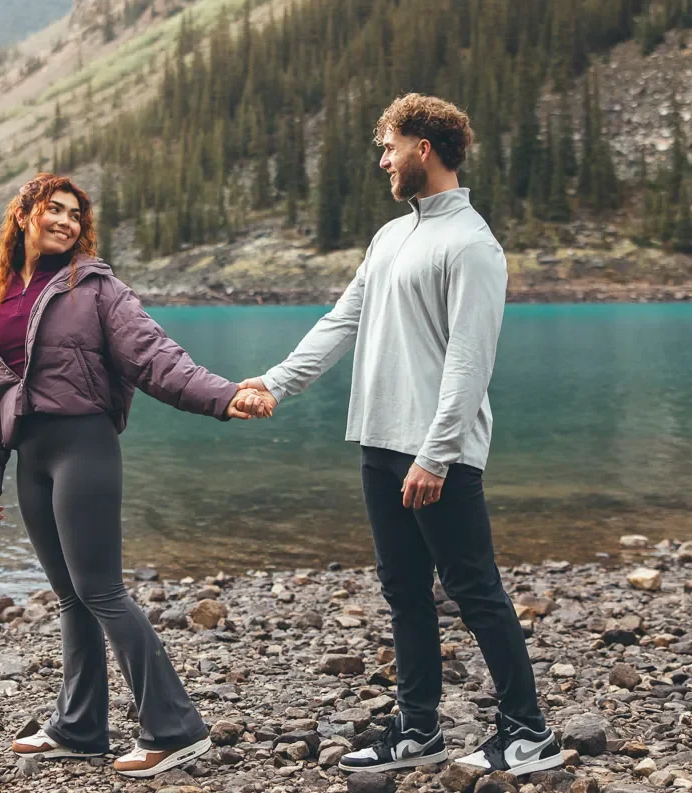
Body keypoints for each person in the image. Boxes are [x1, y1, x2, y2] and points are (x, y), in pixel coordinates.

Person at [239, 95, 562, 776]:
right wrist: (275, 382)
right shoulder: (390, 237)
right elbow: (341, 321)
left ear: (423, 147)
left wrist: (437, 454)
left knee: (474, 589)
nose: (383, 160)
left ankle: (529, 731)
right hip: (380, 443)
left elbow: (470, 363)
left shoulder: (472, 245)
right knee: (404, 591)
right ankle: (419, 729)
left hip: (438, 453)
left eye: (389, 147)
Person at [0, 173, 270, 779]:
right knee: (70, 596)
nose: (66, 222)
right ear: (24, 215)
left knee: (100, 590)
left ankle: (175, 728)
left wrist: (224, 395)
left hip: (84, 446)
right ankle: (79, 728)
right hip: (30, 457)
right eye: (54, 209)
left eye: (75, 214)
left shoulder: (97, 287)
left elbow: (155, 357)